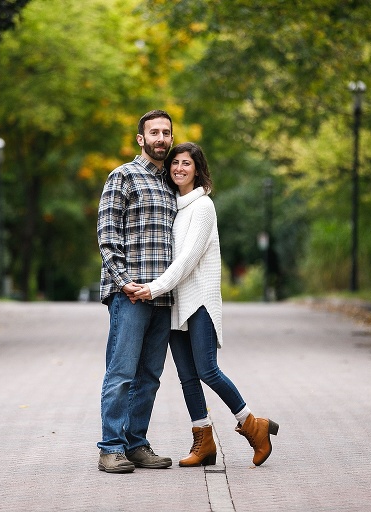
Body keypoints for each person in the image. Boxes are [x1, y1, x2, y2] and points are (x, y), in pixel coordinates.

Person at [133, 142, 279, 467]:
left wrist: (153, 289)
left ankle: (254, 426)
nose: (179, 168)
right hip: (174, 302)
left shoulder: (203, 207)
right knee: (187, 377)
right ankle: (204, 442)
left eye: (186, 163)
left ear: (197, 169)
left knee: (208, 370)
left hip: (198, 300)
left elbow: (186, 261)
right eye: (175, 164)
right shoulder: (175, 206)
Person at [96, 110, 177, 474]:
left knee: (149, 377)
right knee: (121, 373)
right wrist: (123, 281)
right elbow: (107, 234)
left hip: (162, 297)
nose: (161, 138)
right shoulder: (122, 176)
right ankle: (110, 447)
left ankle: (136, 444)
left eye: (166, 132)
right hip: (129, 295)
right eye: (154, 133)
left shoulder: (173, 184)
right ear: (141, 139)